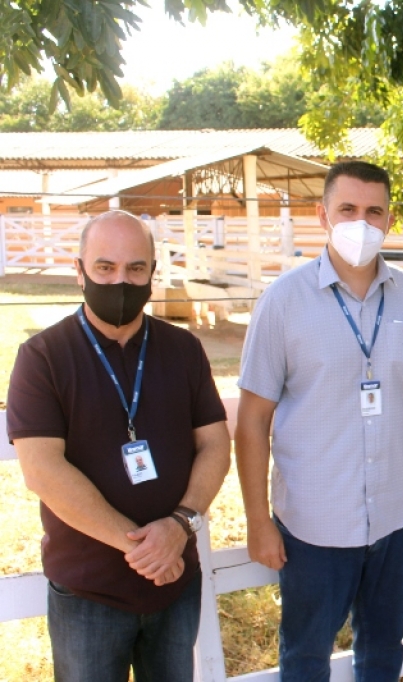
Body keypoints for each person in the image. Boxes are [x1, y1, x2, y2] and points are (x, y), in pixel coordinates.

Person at [235, 160, 403, 682]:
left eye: (374, 211)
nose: (362, 222)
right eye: (348, 209)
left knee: (382, 653)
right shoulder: (283, 302)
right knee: (306, 657)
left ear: (389, 219)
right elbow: (251, 419)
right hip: (313, 528)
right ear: (322, 215)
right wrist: (257, 519)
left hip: (396, 520)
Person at [6, 210, 231, 681]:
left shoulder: (183, 350)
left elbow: (215, 443)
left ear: (152, 272)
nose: (121, 281)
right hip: (89, 594)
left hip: (175, 584)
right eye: (105, 268)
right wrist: (145, 549)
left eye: (135, 269)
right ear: (79, 270)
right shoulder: (43, 357)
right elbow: (43, 470)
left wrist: (178, 525)